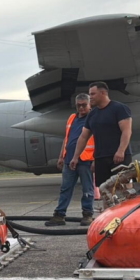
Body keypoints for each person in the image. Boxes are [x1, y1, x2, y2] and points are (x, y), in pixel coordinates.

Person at [70, 81, 133, 187]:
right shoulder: (92, 114)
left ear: (103, 93)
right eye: (90, 94)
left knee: (123, 187)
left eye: (93, 94)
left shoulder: (119, 109)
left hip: (119, 157)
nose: (90, 97)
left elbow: (127, 131)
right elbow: (83, 137)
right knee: (105, 190)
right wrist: (75, 157)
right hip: (101, 158)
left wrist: (121, 151)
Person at [46, 94, 95, 227]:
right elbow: (66, 138)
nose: (81, 108)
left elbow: (100, 140)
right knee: (65, 189)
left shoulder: (94, 118)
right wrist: (61, 156)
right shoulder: (72, 118)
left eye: (84, 105)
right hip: (69, 160)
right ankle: (59, 216)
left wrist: (95, 159)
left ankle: (87, 214)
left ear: (89, 104)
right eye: (78, 105)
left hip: (86, 160)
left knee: (87, 189)